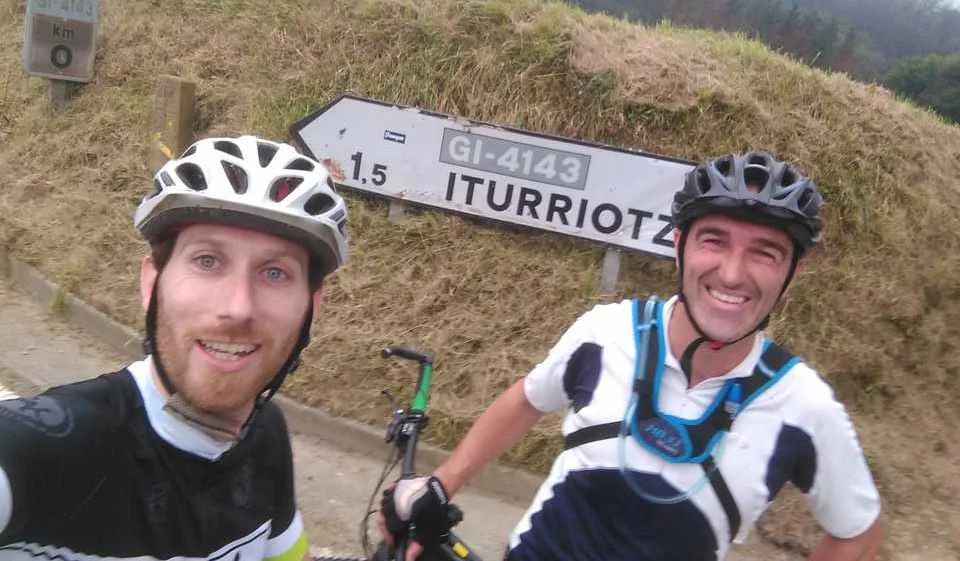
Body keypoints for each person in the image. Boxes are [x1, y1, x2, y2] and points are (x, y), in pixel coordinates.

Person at [381, 150, 882, 561]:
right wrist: (441, 486)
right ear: (680, 245)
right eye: (714, 241)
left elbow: (857, 534)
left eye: (764, 252)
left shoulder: (804, 407)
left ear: (792, 272)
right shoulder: (607, 332)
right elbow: (528, 399)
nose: (732, 273)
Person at [0, 134, 349, 561]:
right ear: (152, 284)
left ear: (312, 308)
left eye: (275, 273)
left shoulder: (266, 434)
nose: (238, 308)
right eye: (207, 261)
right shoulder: (49, 446)